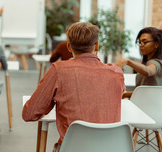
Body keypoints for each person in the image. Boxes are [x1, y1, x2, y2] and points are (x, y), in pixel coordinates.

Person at [22, 22, 125, 152]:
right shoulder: (116, 72)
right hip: (110, 148)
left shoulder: (58, 70)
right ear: (97, 46)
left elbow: (29, 114)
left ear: (69, 47)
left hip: (73, 148)